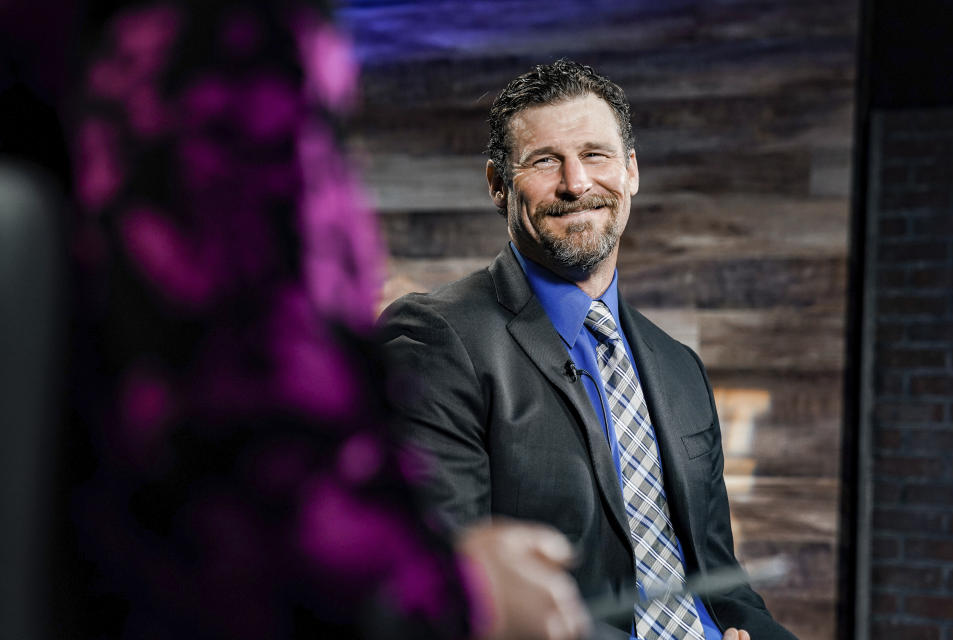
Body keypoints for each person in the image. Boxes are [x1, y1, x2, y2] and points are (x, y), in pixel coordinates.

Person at [42, 4, 591, 639]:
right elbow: (255, 455)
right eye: (546, 161)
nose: (574, 184)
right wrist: (464, 595)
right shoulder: (222, 43)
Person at [379, 60, 798, 640]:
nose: (576, 183)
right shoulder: (435, 337)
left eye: (596, 155)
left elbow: (722, 582)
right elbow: (448, 586)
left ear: (630, 172)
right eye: (545, 161)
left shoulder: (679, 368)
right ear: (499, 185)